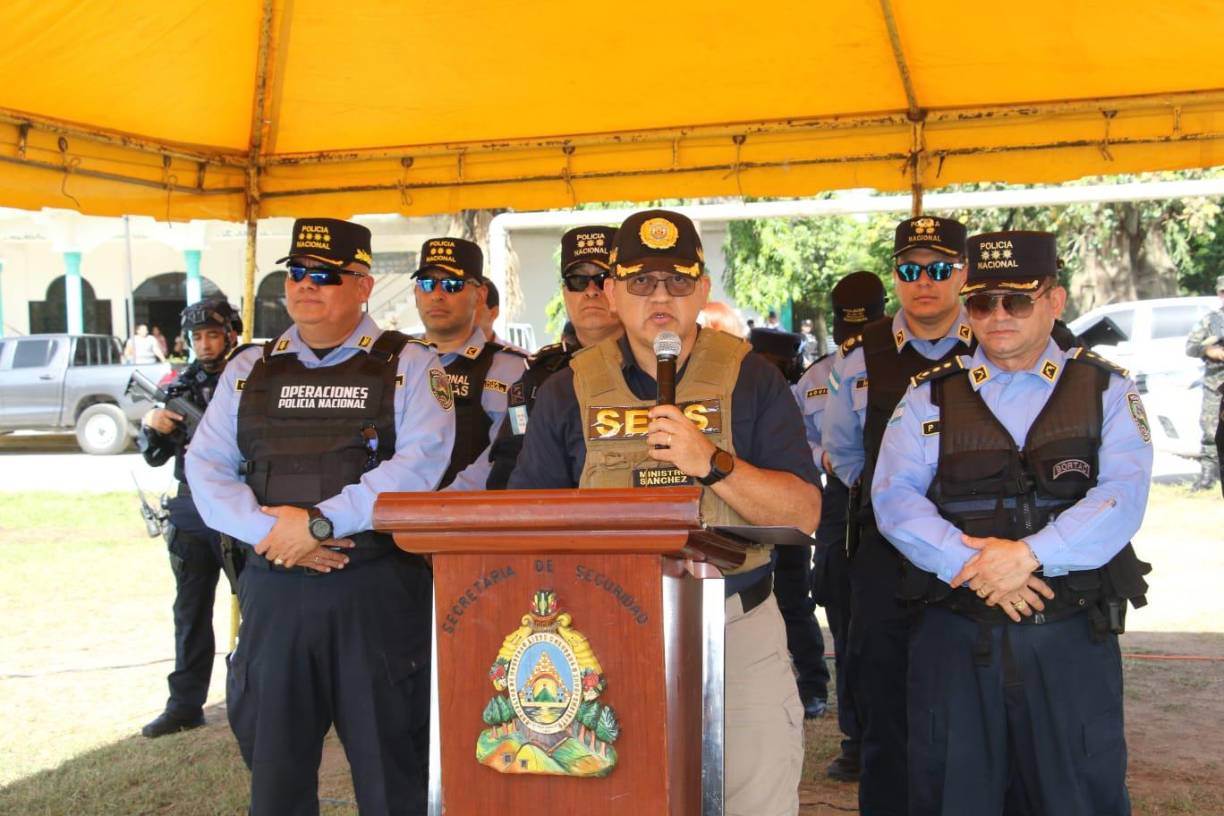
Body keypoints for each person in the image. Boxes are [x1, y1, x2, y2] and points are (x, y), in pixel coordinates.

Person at [509, 209, 821, 816]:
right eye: (642, 282)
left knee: (753, 801)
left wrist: (713, 463)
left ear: (703, 290)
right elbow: (531, 524)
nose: (661, 297)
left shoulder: (752, 379)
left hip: (734, 624)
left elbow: (805, 512)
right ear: (614, 292)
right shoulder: (565, 388)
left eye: (679, 282)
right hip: (605, 633)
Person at [873, 230, 1153, 815]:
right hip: (957, 634)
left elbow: (1121, 497)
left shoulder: (1106, 389)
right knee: (955, 794)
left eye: (1017, 300)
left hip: (1070, 635)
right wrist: (975, 564)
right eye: (981, 302)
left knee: (1078, 792)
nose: (997, 316)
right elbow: (895, 501)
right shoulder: (929, 397)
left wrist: (1028, 556)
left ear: (1055, 301)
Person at [185, 218, 456, 815]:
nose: (305, 285)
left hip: (374, 595)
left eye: (324, 276)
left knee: (391, 773)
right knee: (275, 773)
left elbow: (418, 467)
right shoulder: (248, 368)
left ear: (362, 284)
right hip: (275, 590)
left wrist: (318, 525)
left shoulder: (410, 365)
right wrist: (273, 534)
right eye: (296, 273)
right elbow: (205, 469)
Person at [821, 215, 976, 816]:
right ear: (896, 277)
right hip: (886, 555)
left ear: (962, 274)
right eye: (912, 270)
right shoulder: (861, 356)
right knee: (886, 698)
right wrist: (896, 503)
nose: (925, 283)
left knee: (971, 701)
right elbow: (843, 453)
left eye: (940, 269)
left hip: (974, 548)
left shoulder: (995, 339)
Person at [793, 269, 887, 781]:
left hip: (898, 505)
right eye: (847, 328)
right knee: (847, 624)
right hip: (838, 506)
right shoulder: (819, 378)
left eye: (865, 325)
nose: (856, 338)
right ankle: (856, 738)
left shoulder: (909, 365)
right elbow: (794, 440)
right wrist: (824, 457)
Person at [138, 297, 242, 738]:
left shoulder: (250, 378)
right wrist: (153, 427)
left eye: (213, 335)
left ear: (230, 335)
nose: (204, 344)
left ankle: (253, 696)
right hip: (190, 509)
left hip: (238, 507)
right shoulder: (178, 386)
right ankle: (184, 706)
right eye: (197, 337)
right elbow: (156, 458)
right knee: (190, 611)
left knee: (258, 605)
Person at [486, 225, 623, 490]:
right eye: (578, 280)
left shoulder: (655, 366)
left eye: (604, 278)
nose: (591, 291)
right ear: (564, 292)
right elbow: (508, 462)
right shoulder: (538, 377)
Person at [749, 326, 830, 720]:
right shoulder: (741, 395)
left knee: (795, 601)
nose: (778, 371)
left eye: (782, 365)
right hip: (746, 516)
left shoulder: (798, 398)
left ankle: (813, 684)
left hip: (788, 515)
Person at [412, 237, 527, 490]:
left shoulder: (512, 369)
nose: (437, 295)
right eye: (428, 284)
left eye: (452, 285)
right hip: (389, 514)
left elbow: (509, 450)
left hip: (471, 516)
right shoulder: (393, 360)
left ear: (479, 295)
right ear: (416, 293)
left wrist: (441, 505)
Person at [1185, 274, 1224, 491]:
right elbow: (1190, 347)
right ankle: (1209, 476)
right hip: (1216, 383)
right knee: (1210, 429)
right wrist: (1210, 351)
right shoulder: (1211, 321)